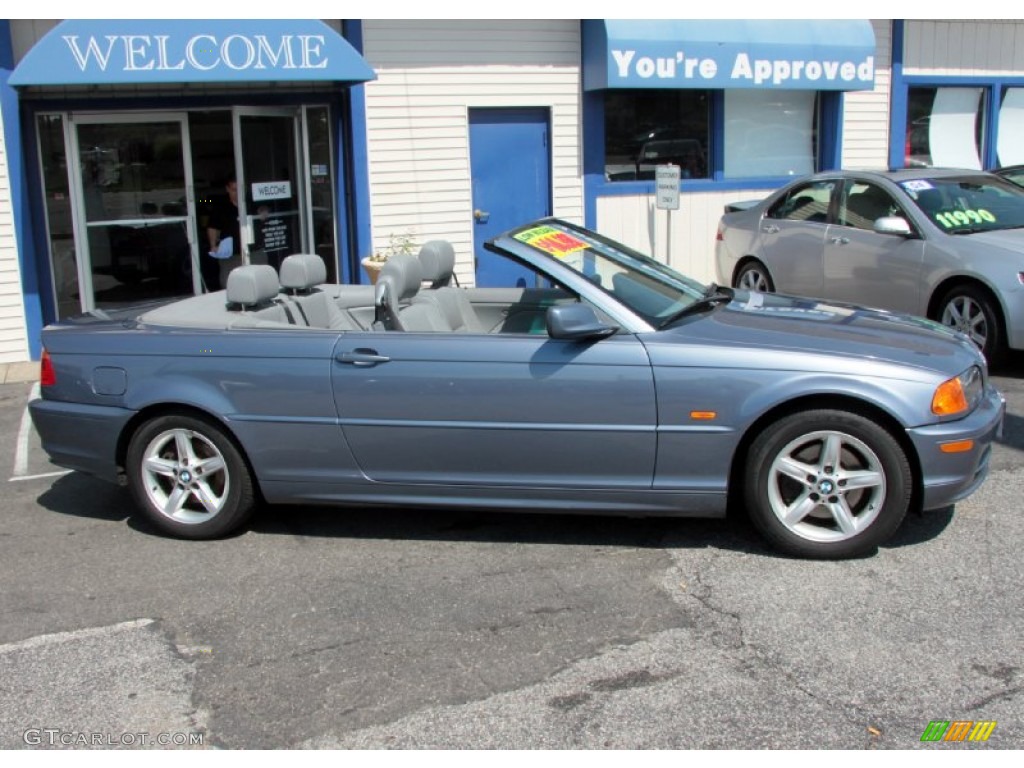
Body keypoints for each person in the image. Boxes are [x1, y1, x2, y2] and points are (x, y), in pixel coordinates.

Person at [206, 175, 242, 289]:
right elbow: (213, 227)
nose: (237, 193)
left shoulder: (250, 203)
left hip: (252, 252)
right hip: (229, 255)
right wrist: (213, 245)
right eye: (233, 190)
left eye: (239, 190)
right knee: (229, 284)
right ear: (227, 189)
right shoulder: (221, 207)